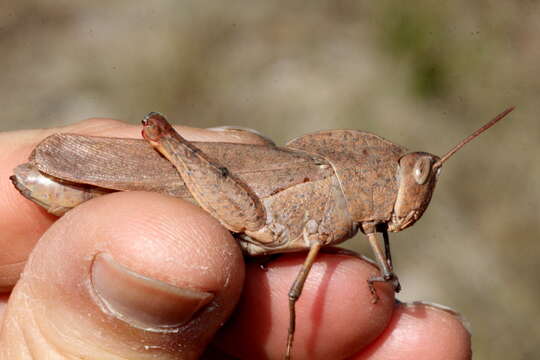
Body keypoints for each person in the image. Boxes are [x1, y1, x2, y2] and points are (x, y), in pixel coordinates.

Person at [0, 118, 471, 359]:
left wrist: (387, 272)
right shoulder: (323, 186)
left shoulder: (363, 219)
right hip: (186, 208)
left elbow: (377, 228)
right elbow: (295, 287)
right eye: (420, 174)